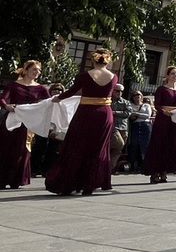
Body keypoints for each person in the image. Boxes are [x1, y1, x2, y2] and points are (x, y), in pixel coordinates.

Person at [46, 49, 118, 196]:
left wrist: (57, 98)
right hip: (105, 114)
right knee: (98, 149)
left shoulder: (85, 75)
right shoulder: (113, 77)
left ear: (93, 60)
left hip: (86, 113)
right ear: (108, 60)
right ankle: (89, 185)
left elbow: (72, 91)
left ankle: (70, 183)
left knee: (77, 146)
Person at [0, 59, 50, 189]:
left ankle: (16, 180)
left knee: (22, 150)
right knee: (6, 148)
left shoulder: (40, 88)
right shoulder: (14, 85)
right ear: (26, 70)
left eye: (39, 70)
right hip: (13, 120)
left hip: (28, 122)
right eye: (34, 69)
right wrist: (7, 106)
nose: (37, 72)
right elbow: (2, 99)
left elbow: (48, 103)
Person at [126, 90, 153, 174]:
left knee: (145, 145)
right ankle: (133, 164)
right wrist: (139, 114)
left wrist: (137, 114)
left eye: (139, 95)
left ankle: (143, 165)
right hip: (135, 126)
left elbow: (147, 115)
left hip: (145, 126)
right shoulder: (130, 105)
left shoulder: (146, 105)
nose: (137, 97)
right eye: (135, 96)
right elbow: (129, 115)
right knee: (134, 144)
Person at [109, 84, 130, 173]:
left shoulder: (125, 102)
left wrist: (114, 112)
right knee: (119, 143)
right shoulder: (109, 101)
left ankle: (109, 167)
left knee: (118, 149)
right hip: (113, 127)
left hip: (123, 127)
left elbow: (127, 113)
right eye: (117, 91)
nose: (119, 93)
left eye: (121, 91)